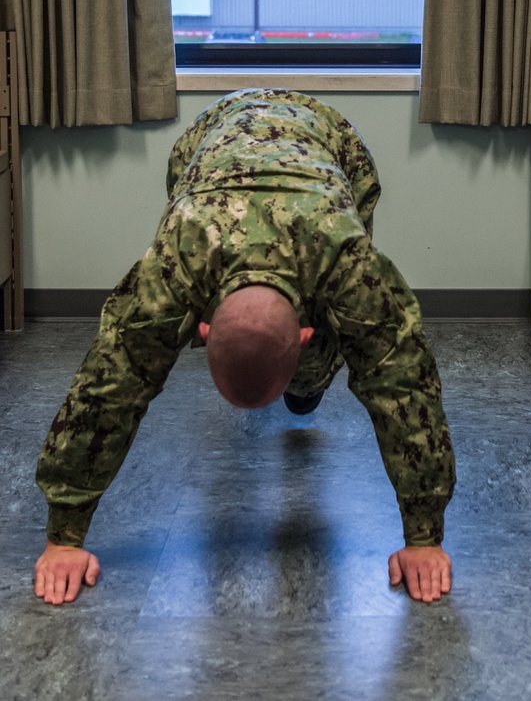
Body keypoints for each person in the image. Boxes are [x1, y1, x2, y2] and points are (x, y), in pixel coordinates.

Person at [33, 89, 455, 608]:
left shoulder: (347, 261)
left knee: (340, 344)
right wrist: (63, 537)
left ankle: (307, 384)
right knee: (136, 352)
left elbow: (404, 385)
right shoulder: (177, 260)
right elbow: (107, 390)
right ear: (201, 328)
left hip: (331, 141)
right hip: (213, 138)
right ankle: (299, 381)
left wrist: (424, 537)